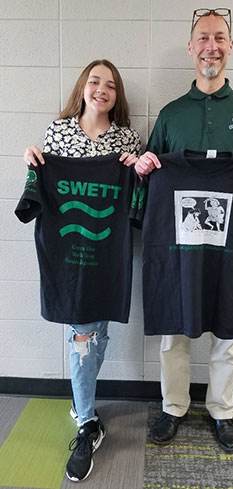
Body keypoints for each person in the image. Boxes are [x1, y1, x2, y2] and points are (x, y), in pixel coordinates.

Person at [135, 8, 233, 452]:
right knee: (173, 331)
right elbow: (151, 175)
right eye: (203, 38)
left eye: (219, 37)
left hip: (228, 248)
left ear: (230, 46)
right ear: (191, 47)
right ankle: (172, 407)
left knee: (228, 331)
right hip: (177, 249)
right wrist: (145, 166)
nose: (211, 46)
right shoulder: (170, 114)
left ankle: (222, 411)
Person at [22, 59, 141, 482]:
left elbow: (140, 187)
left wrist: (136, 165)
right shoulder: (59, 131)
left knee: (98, 330)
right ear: (82, 87)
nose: (101, 90)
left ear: (117, 95)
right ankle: (88, 422)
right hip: (68, 252)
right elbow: (40, 172)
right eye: (95, 81)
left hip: (108, 252)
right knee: (84, 333)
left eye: (110, 85)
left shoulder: (128, 137)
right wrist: (31, 158)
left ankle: (80, 400)